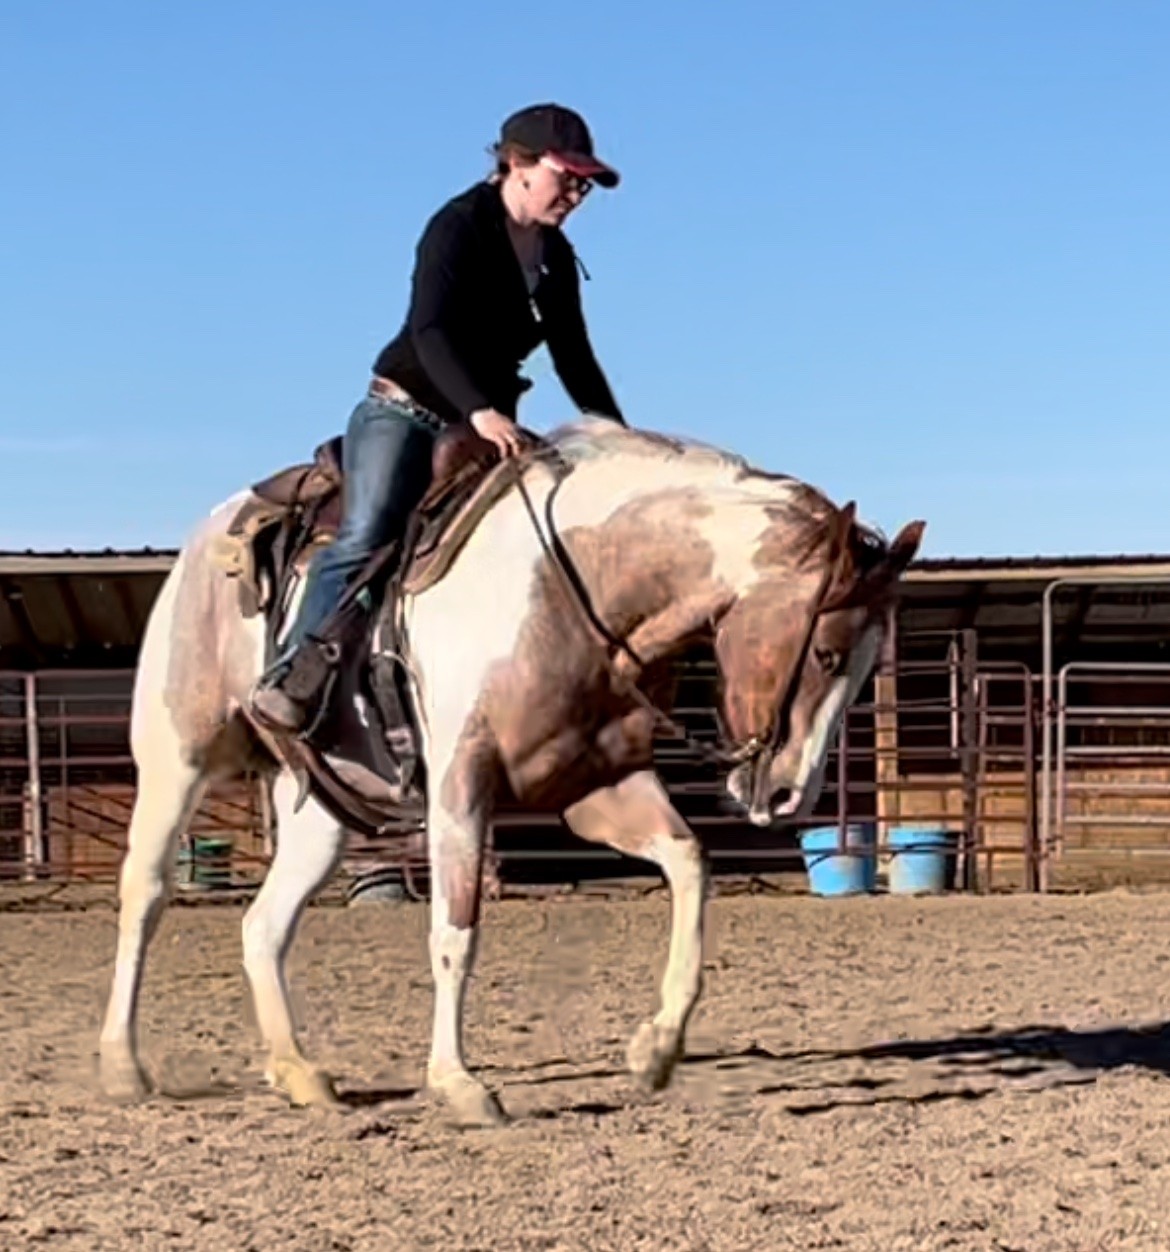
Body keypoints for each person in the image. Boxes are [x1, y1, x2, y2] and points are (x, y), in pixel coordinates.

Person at [250, 102, 626, 734]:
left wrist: (617, 435)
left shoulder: (557, 259)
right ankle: (292, 674)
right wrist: (479, 410)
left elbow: (574, 355)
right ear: (517, 165)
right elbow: (429, 330)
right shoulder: (457, 226)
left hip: (486, 430)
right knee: (369, 532)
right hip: (406, 411)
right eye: (568, 177)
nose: (577, 194)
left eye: (585, 183)